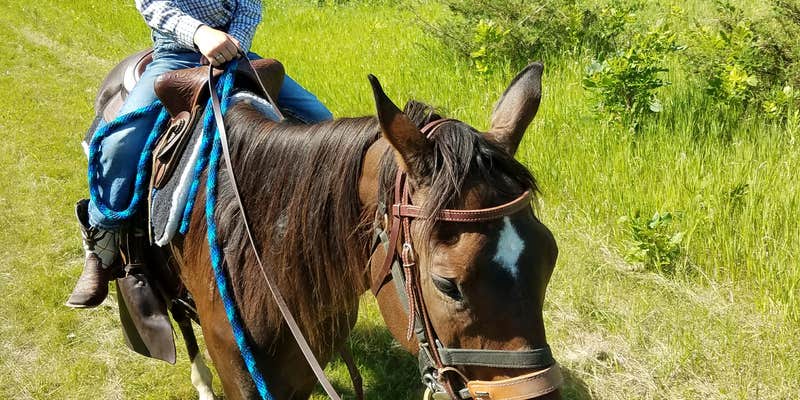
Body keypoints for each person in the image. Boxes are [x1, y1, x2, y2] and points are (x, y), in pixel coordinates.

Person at [66, 0, 332, 308]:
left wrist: (234, 41)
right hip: (175, 54)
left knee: (321, 119)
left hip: (234, 53)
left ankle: (325, 226)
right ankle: (102, 241)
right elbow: (154, 5)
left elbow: (249, 5)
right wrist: (200, 34)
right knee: (118, 146)